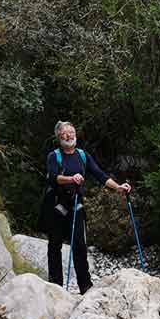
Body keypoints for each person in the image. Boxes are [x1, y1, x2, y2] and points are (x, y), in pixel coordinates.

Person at [42, 121, 131, 294]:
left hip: (76, 205)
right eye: (65, 133)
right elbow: (53, 178)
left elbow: (99, 174)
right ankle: (55, 286)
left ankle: (85, 287)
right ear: (59, 137)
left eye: (72, 132)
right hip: (56, 205)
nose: (69, 135)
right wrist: (70, 179)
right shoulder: (54, 156)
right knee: (55, 246)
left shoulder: (83, 155)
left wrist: (118, 187)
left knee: (80, 246)